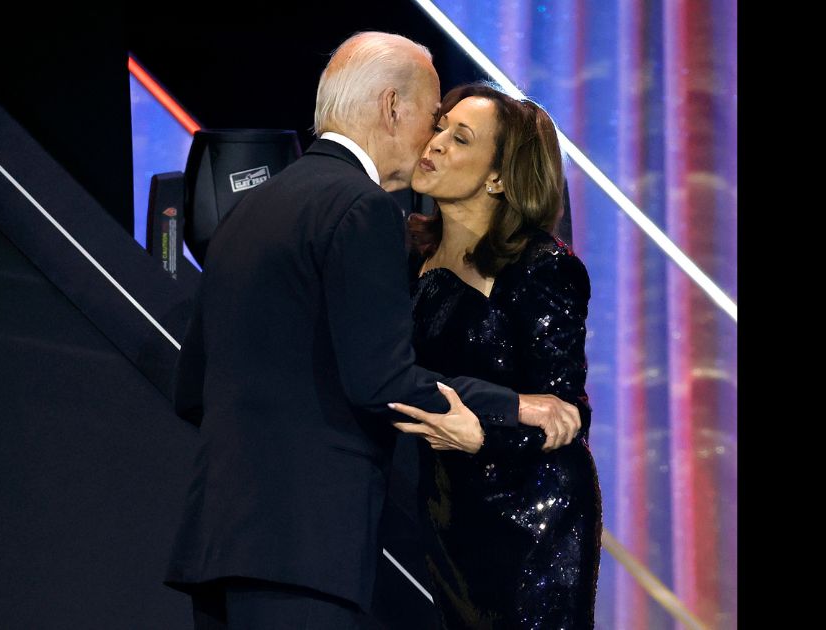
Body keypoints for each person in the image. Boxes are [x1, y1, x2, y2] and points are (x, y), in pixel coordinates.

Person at [164, 33, 583, 629]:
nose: (433, 138)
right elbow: (379, 380)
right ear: (393, 108)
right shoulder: (360, 209)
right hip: (306, 548)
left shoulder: (247, 212)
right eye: (435, 117)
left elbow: (191, 389)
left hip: (219, 547)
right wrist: (514, 406)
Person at [389, 84, 603, 628]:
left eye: (459, 138)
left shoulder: (541, 266)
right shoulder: (403, 250)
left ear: (499, 177)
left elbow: (568, 413)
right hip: (445, 509)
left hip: (532, 522)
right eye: (439, 127)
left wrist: (484, 434)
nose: (433, 144)